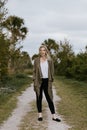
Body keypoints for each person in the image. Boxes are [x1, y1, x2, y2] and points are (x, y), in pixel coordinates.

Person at [33, 45, 61, 122]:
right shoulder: (36, 60)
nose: (42, 52)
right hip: (38, 81)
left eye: (44, 50)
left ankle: (54, 116)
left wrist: (51, 79)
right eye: (41, 50)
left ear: (46, 51)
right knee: (39, 98)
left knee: (49, 98)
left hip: (47, 81)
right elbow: (34, 71)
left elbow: (52, 71)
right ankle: (40, 115)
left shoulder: (50, 60)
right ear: (39, 51)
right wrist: (34, 80)